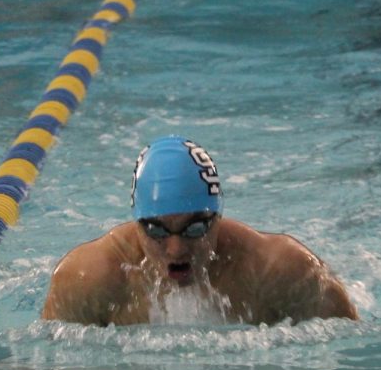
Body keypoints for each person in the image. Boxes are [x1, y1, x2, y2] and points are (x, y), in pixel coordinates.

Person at [41, 135, 358, 326]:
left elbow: (353, 354)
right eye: (156, 230)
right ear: (136, 222)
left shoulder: (281, 270)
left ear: (217, 217)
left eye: (194, 228)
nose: (177, 249)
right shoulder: (88, 278)